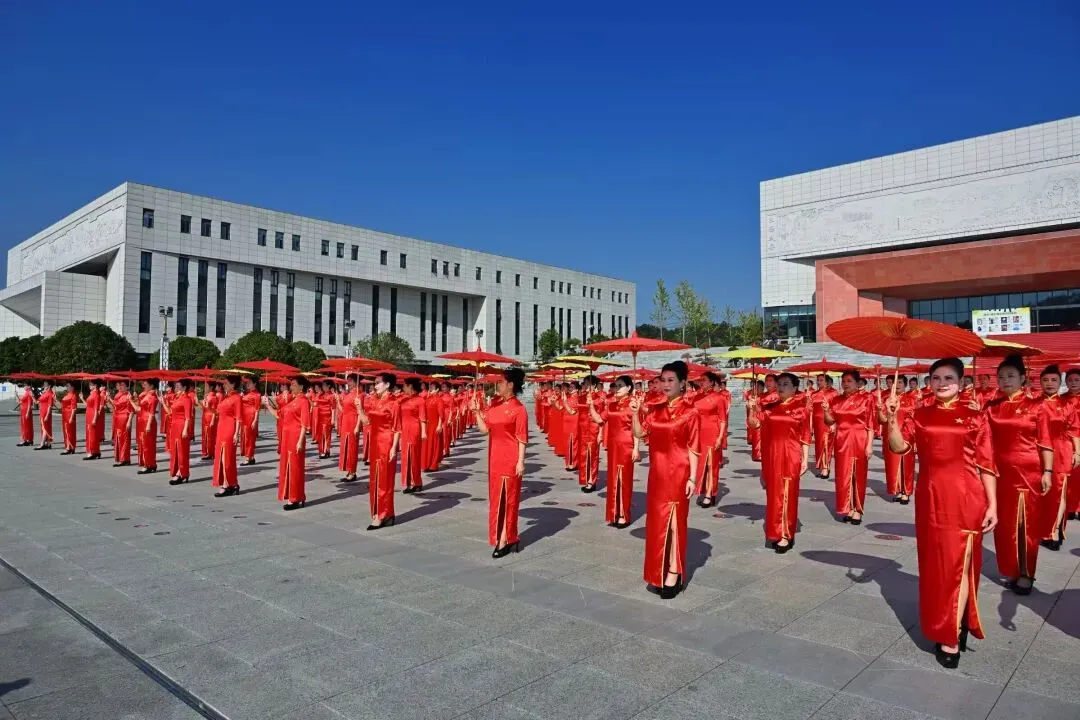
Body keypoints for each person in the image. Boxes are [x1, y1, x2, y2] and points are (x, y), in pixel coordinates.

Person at [884, 357, 997, 669]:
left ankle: (953, 633)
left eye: (949, 378)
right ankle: (945, 622)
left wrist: (993, 504)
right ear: (929, 382)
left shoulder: (975, 416)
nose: (942, 383)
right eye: (936, 378)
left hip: (967, 497)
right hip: (930, 497)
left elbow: (986, 463)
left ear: (961, 382)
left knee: (960, 562)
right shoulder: (919, 414)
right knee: (935, 565)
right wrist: (892, 418)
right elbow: (899, 447)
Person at [984, 354, 1054, 596]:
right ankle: (1012, 569)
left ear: (1023, 378)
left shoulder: (1037, 406)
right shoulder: (991, 407)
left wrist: (1047, 471)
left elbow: (1045, 442)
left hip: (1028, 472)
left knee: (1026, 524)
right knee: (1004, 526)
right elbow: (980, 438)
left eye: (1011, 376)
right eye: (1001, 376)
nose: (1005, 380)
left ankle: (1026, 573)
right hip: (999, 473)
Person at [630, 361, 700, 599]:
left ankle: (674, 571)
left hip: (679, 472)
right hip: (657, 474)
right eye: (663, 380)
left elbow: (694, 447)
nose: (666, 384)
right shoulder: (655, 409)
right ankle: (657, 571)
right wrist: (635, 412)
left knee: (674, 522)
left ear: (683, 383)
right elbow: (640, 433)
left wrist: (693, 478)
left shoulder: (690, 411)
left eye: (671, 380)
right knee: (657, 522)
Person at [747, 372, 810, 553]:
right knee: (774, 494)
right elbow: (754, 425)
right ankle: (775, 531)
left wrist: (805, 459)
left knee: (788, 493)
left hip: (791, 454)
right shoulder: (769, 408)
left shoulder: (801, 408)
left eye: (785, 384)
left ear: (795, 388)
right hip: (772, 456)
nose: (781, 387)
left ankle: (786, 534)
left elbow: (805, 435)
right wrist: (752, 409)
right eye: (779, 384)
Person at [473, 367, 528, 557]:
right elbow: (484, 430)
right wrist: (476, 412)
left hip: (510, 459)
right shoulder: (494, 405)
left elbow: (522, 438)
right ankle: (502, 536)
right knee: (496, 499)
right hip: (494, 458)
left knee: (508, 499)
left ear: (511, 385)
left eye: (501, 382)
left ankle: (505, 538)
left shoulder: (519, 409)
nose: (498, 385)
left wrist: (520, 462)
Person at [824, 370, 875, 524]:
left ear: (857, 383)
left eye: (849, 381)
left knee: (858, 474)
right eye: (843, 381)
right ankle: (847, 507)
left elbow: (870, 424)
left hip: (860, 439)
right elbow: (829, 421)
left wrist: (869, 445)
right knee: (843, 474)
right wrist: (825, 410)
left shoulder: (866, 398)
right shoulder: (836, 399)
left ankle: (857, 509)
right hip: (841, 440)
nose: (845, 384)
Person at [1037, 366, 1080, 550]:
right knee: (1042, 493)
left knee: (1058, 491)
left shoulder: (1066, 404)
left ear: (1060, 382)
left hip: (1062, 451)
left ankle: (1053, 532)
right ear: (1040, 382)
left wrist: (1077, 452)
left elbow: (1074, 429)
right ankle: (1040, 528)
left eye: (1054, 380)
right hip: (1037, 451)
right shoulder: (1034, 402)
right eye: (1046, 380)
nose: (1050, 384)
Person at [589, 375, 639, 527]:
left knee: (624, 479)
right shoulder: (611, 405)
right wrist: (591, 406)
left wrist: (636, 448)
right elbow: (599, 420)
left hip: (626, 445)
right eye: (616, 386)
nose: (617, 388)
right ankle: (614, 513)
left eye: (620, 385)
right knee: (613, 478)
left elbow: (636, 429)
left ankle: (624, 515)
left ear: (628, 387)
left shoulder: (633, 404)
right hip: (613, 446)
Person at [357, 373, 401, 529]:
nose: (375, 386)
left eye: (378, 383)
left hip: (386, 442)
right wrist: (359, 408)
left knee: (384, 479)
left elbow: (397, 428)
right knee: (374, 479)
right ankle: (384, 514)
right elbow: (366, 421)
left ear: (387, 385)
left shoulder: (394, 403)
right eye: (374, 383)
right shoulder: (373, 401)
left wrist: (394, 448)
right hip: (375, 442)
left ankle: (382, 515)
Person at [266, 377, 310, 510]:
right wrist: (268, 405)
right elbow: (279, 414)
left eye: (294, 384)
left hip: (295, 437)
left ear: (301, 387)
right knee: (287, 466)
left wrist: (300, 441)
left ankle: (296, 498)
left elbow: (304, 423)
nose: (291, 387)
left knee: (295, 467)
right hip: (286, 438)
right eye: (291, 385)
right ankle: (293, 496)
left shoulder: (304, 401)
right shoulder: (293, 401)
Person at [877, 374, 916, 504]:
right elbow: (882, 420)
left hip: (906, 435)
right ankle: (898, 489)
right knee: (892, 464)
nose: (898, 385)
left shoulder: (911, 399)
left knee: (906, 464)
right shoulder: (887, 400)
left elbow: (914, 419)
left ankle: (906, 491)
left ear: (905, 384)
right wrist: (880, 410)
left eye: (900, 382)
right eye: (895, 383)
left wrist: (910, 435)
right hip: (890, 435)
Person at [692, 371, 728, 508]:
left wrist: (720, 437)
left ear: (712, 382)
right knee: (700, 464)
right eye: (701, 380)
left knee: (710, 464)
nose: (701, 382)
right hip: (698, 434)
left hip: (712, 433)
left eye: (704, 380)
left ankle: (709, 493)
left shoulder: (719, 398)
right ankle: (702, 489)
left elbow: (723, 420)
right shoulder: (696, 397)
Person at [212, 375, 243, 497]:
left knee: (227, 458)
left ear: (233, 384)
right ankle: (233, 484)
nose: (224, 385)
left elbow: (239, 418)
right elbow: (218, 412)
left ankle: (227, 484)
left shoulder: (237, 398)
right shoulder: (225, 398)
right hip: (221, 429)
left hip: (230, 429)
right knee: (221, 457)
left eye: (226, 383)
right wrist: (206, 406)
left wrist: (236, 434)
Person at [399, 377, 427, 493]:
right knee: (405, 457)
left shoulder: (420, 400)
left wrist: (423, 432)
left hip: (414, 430)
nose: (402, 388)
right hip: (404, 430)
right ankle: (409, 483)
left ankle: (417, 482)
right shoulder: (403, 399)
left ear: (410, 386)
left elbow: (422, 417)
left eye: (404, 385)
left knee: (413, 456)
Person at [164, 380, 194, 484]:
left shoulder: (187, 399)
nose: (176, 388)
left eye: (178, 386)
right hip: (174, 426)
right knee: (175, 450)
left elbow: (188, 417)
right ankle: (178, 471)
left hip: (181, 426)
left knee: (182, 450)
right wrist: (163, 403)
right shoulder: (177, 398)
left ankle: (182, 473)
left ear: (184, 387)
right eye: (175, 386)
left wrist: (185, 429)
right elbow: (170, 412)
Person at [809, 374, 837, 478]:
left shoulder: (833, 393)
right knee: (818, 445)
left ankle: (826, 468)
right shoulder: (813, 394)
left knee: (826, 444)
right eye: (818, 380)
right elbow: (810, 410)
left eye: (821, 380)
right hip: (817, 423)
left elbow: (836, 408)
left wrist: (834, 423)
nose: (819, 382)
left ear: (827, 382)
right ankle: (821, 467)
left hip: (827, 421)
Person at [337, 380, 362, 482]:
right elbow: (343, 410)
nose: (349, 383)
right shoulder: (348, 395)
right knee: (346, 447)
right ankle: (349, 470)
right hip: (345, 422)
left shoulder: (359, 395)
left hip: (353, 422)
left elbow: (360, 412)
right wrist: (338, 401)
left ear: (356, 382)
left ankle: (353, 472)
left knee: (352, 448)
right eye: (348, 381)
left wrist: (357, 426)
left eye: (351, 381)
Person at [107, 380, 134, 467]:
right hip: (118, 418)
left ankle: (125, 459)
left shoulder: (128, 396)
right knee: (118, 438)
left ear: (127, 387)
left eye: (122, 385)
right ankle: (120, 458)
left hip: (125, 418)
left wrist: (129, 421)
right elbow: (114, 407)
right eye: (120, 385)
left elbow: (132, 411)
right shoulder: (119, 395)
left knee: (124, 439)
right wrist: (108, 400)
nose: (120, 386)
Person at [135, 379, 158, 473]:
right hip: (142, 420)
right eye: (143, 384)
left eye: (145, 384)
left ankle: (149, 465)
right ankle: (150, 464)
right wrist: (132, 400)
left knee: (148, 444)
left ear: (151, 386)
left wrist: (148, 425)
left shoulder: (152, 397)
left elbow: (152, 413)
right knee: (144, 443)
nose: (143, 385)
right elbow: (139, 408)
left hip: (148, 421)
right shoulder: (146, 395)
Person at [1067, 368, 1080, 521]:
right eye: (1070, 380)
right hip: (1068, 442)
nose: (1073, 383)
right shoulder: (1061, 400)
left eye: (1077, 380)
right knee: (1071, 477)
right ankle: (1070, 508)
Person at [240, 377, 261, 465]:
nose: (248, 384)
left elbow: (257, 409)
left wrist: (255, 420)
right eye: (247, 383)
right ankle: (251, 457)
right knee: (244, 436)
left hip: (250, 417)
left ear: (254, 384)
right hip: (244, 417)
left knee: (249, 437)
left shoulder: (257, 395)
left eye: (250, 382)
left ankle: (248, 457)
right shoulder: (247, 393)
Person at [82, 381, 103, 460]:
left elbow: (96, 408)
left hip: (92, 415)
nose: (89, 385)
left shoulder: (96, 395)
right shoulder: (92, 394)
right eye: (89, 384)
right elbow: (88, 405)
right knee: (90, 434)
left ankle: (92, 452)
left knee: (92, 434)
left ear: (95, 385)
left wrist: (94, 418)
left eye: (91, 384)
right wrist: (82, 398)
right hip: (89, 415)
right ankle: (96, 451)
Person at [315, 380, 336, 458]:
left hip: (327, 416)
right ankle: (323, 450)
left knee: (326, 434)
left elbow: (333, 408)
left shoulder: (332, 395)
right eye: (322, 385)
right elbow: (315, 404)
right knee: (321, 434)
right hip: (320, 416)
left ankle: (325, 451)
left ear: (328, 386)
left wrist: (333, 419)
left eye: (324, 385)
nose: (323, 387)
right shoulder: (321, 395)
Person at [200, 382, 219, 460]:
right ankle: (208, 452)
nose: (205, 388)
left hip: (210, 417)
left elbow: (215, 410)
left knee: (210, 436)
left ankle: (212, 453)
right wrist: (201, 403)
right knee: (206, 435)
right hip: (205, 416)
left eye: (206, 386)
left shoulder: (213, 397)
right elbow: (203, 408)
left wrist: (213, 420)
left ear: (211, 387)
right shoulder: (207, 396)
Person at [60, 381, 78, 455]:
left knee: (69, 432)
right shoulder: (67, 394)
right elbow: (62, 405)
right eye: (66, 386)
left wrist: (71, 417)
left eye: (68, 386)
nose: (67, 387)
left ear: (72, 387)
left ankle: (69, 447)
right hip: (64, 414)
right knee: (66, 431)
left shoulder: (73, 395)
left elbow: (74, 408)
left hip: (69, 415)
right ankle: (70, 447)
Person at [36, 380, 55, 450]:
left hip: (46, 412)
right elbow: (38, 401)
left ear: (49, 386)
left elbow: (50, 406)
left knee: (45, 428)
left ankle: (42, 444)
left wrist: (47, 415)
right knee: (45, 427)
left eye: (45, 384)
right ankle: (48, 443)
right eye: (44, 384)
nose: (44, 386)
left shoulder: (50, 394)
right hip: (42, 412)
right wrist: (42, 393)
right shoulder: (45, 393)